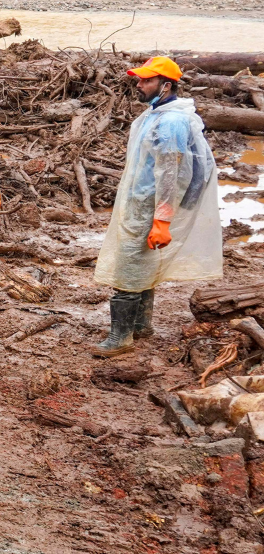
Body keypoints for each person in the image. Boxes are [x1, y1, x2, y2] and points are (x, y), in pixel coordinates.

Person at [93, 56, 221, 358]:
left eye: (146, 80)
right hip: (141, 202)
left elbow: (171, 172)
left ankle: (120, 337)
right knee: (142, 263)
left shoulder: (171, 121)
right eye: (139, 79)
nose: (139, 84)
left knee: (127, 267)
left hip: (149, 207)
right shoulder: (156, 114)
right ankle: (141, 325)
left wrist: (162, 219)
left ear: (165, 85)